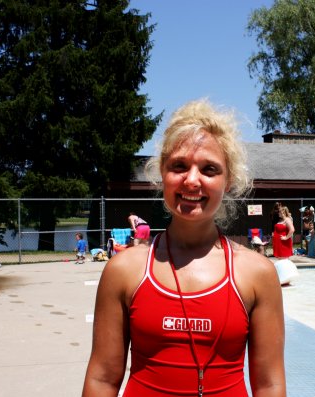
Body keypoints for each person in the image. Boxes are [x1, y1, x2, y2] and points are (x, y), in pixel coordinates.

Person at [83, 99, 286, 397]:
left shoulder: (257, 274)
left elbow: (269, 385)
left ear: (227, 181)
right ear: (162, 174)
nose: (192, 180)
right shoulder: (125, 270)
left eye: (209, 169)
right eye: (179, 166)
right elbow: (102, 379)